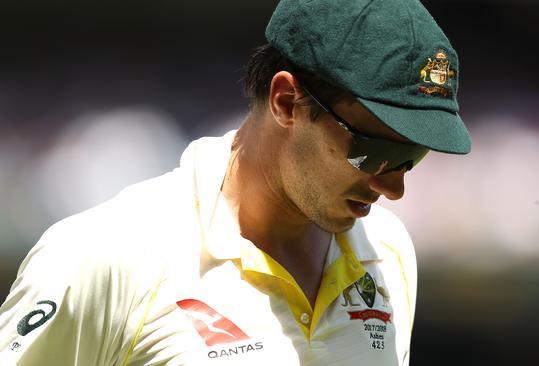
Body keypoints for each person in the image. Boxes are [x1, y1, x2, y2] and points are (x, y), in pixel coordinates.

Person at [0, 0, 470, 364]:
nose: (394, 189)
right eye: (377, 152)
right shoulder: (101, 259)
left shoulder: (388, 251)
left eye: (412, 156)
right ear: (286, 101)